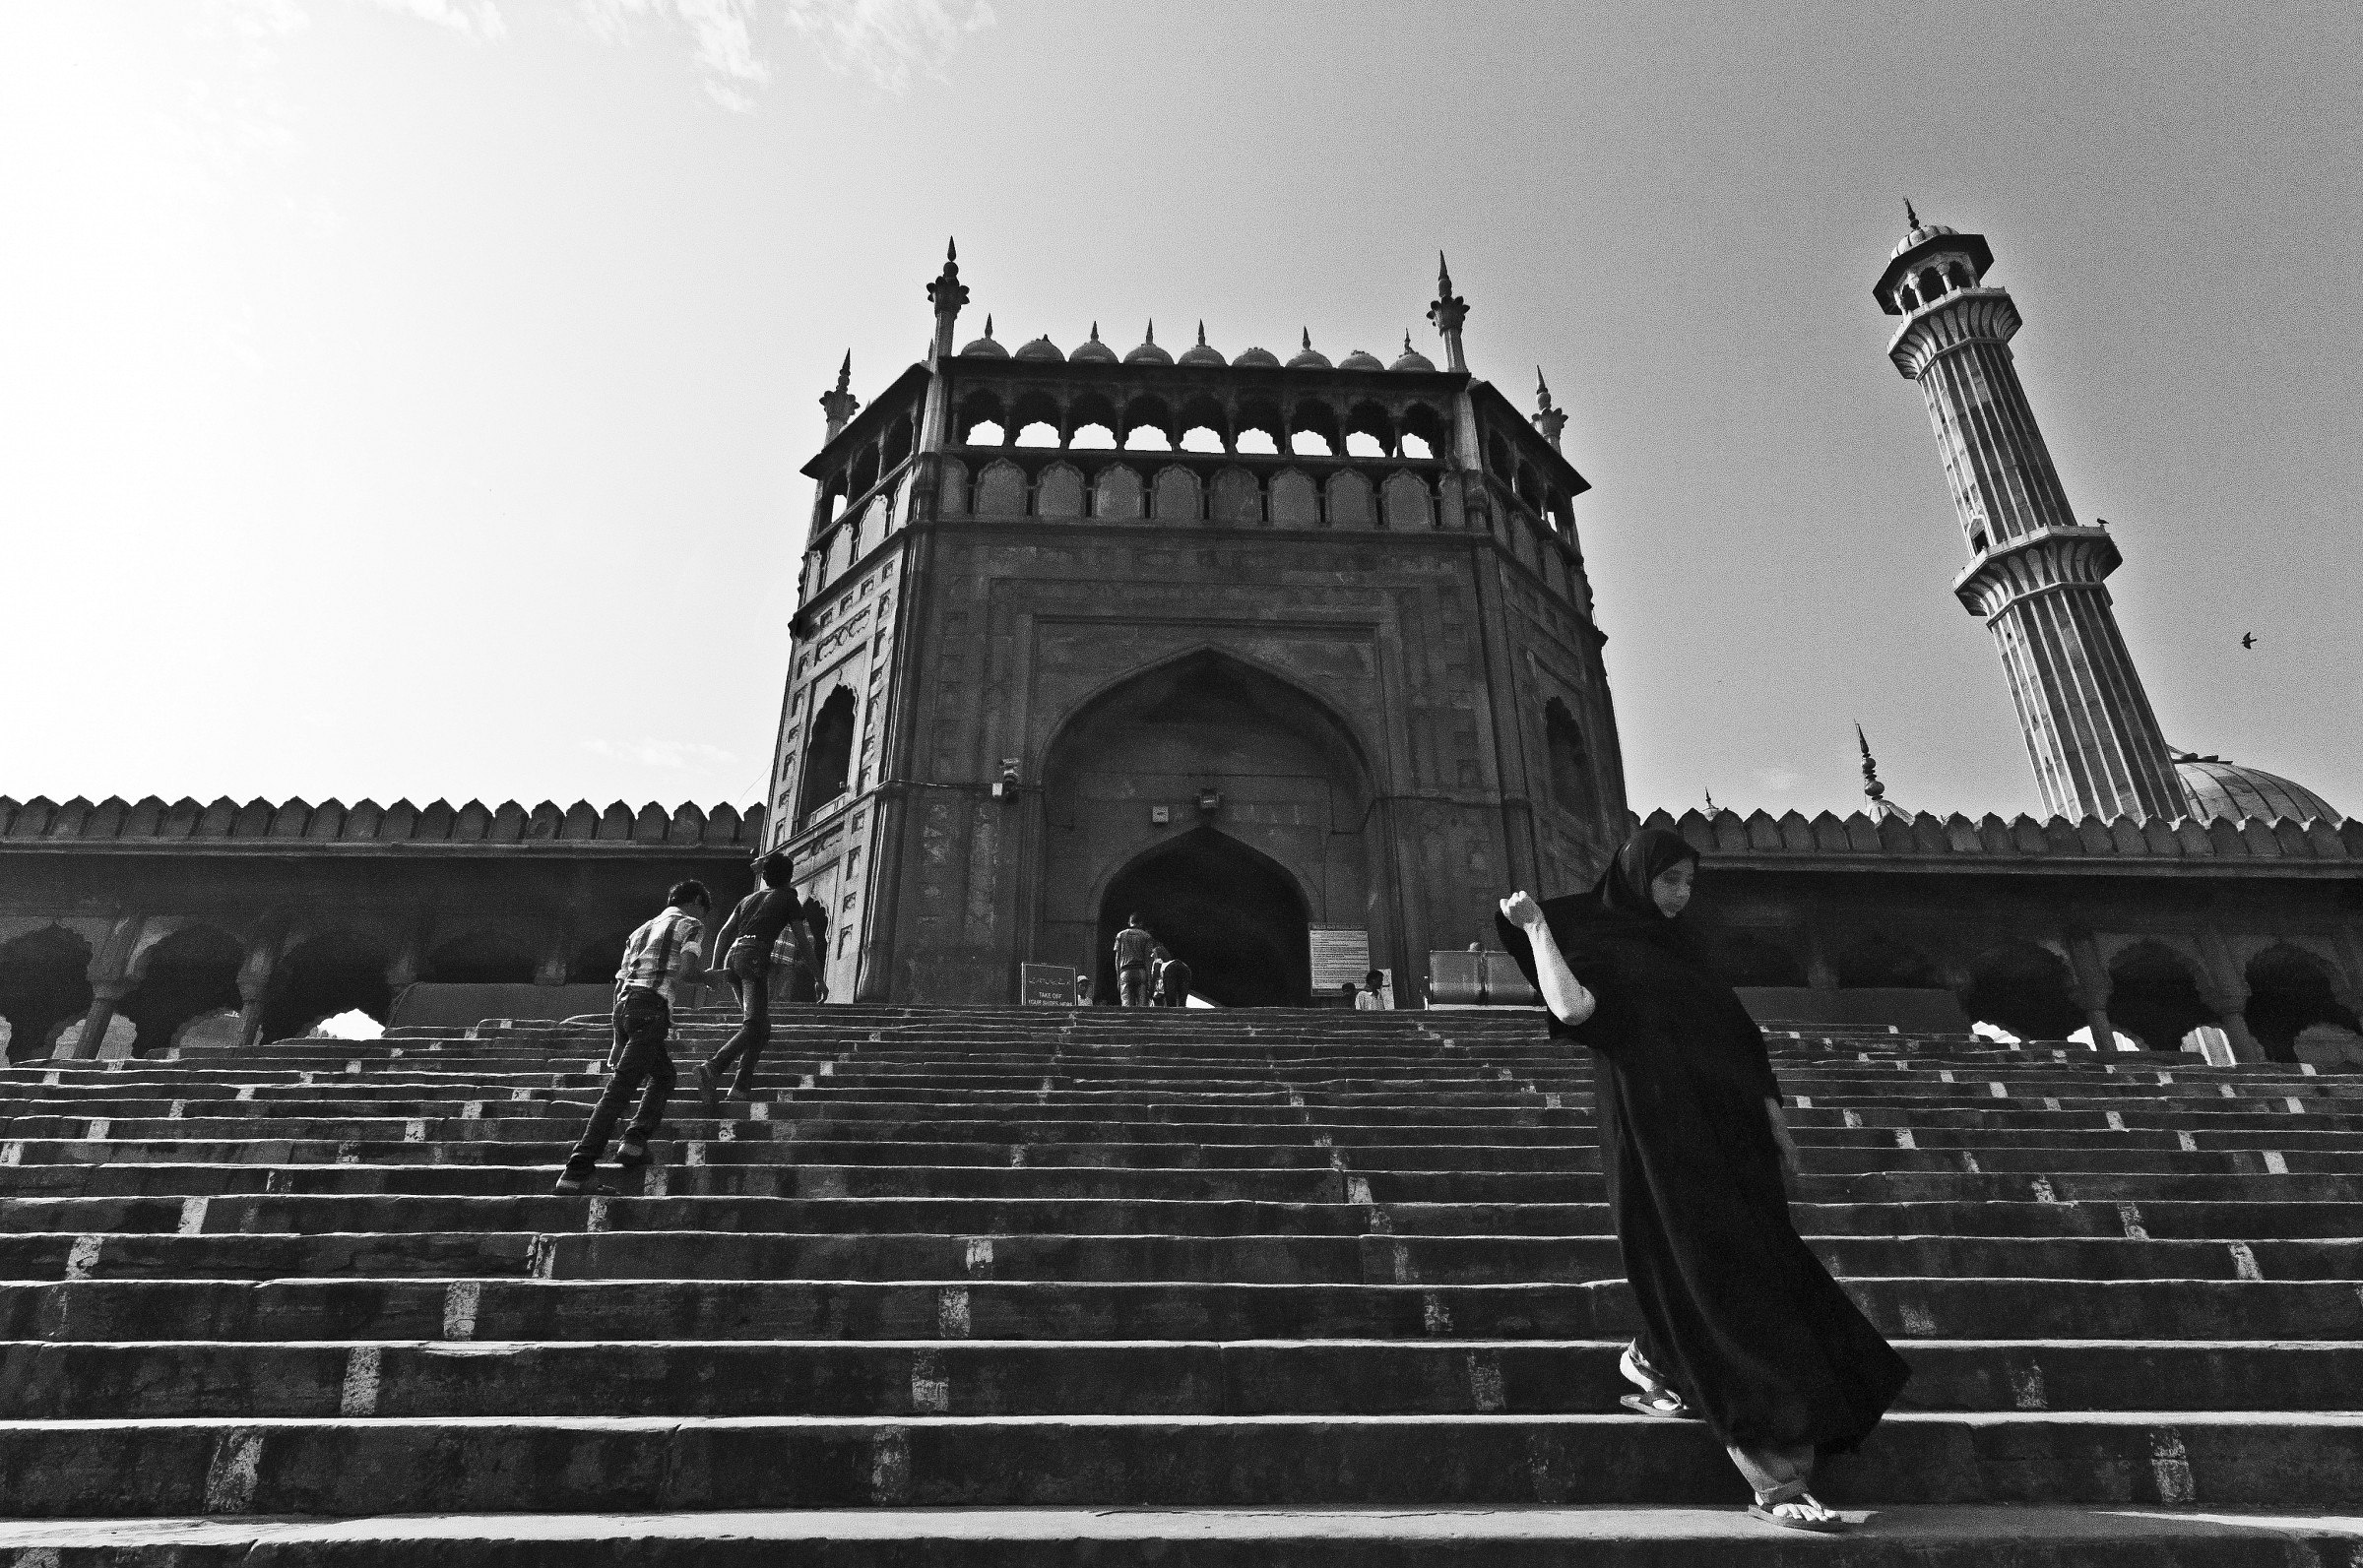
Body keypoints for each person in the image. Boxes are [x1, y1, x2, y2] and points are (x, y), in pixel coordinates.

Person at [1496, 829, 1908, 1534]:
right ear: (1636, 876)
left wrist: (1774, 1119)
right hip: (1659, 1133)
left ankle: (1654, 1358)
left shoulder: (1686, 950)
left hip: (1731, 1134)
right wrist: (1536, 928)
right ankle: (1776, 1475)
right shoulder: (1594, 937)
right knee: (1714, 1277)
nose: (1681, 895)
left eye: (1688, 881)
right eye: (1669, 880)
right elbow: (1573, 1010)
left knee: (1759, 1268)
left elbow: (1739, 1035)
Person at [556, 880, 711, 1195]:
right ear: (695, 901)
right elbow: (686, 972)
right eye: (704, 909)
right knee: (620, 1089)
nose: (704, 916)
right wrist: (713, 978)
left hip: (627, 1009)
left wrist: (617, 1038)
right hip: (651, 1010)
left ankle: (635, 1143)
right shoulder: (691, 924)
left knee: (665, 1075)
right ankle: (578, 1168)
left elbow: (621, 985)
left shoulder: (641, 930)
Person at [695, 852, 810, 1107]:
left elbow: (725, 932)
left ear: (765, 876)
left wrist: (716, 967)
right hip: (754, 958)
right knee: (754, 1023)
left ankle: (740, 1087)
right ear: (790, 877)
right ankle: (714, 1066)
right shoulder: (788, 899)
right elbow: (803, 942)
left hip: (734, 956)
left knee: (761, 1027)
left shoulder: (748, 899)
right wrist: (819, 978)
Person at [1114, 913, 1155, 1007]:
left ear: (1130, 922)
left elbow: (1117, 959)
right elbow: (1148, 959)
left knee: (1126, 1004)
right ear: (1141, 923)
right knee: (1142, 1005)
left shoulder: (1120, 935)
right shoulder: (1146, 936)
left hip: (1125, 971)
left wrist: (1118, 978)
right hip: (1141, 971)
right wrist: (1149, 979)